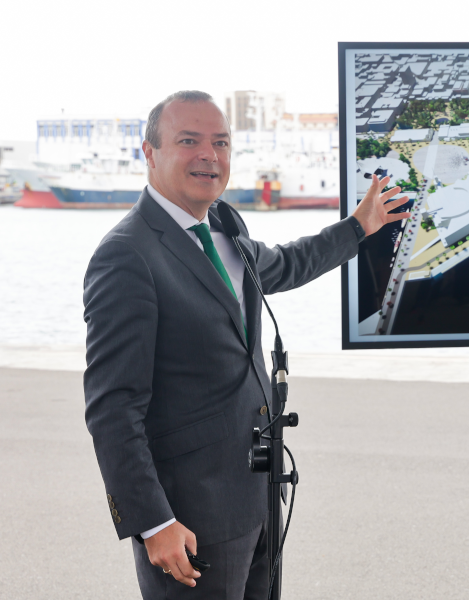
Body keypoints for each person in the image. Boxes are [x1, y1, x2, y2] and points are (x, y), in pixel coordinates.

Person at [83, 90, 409, 599]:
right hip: (188, 521)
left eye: (220, 142)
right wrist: (153, 523)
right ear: (149, 153)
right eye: (188, 141)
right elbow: (112, 408)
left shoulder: (223, 231)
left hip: (258, 498)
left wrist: (359, 226)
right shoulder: (127, 256)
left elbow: (289, 261)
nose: (208, 155)